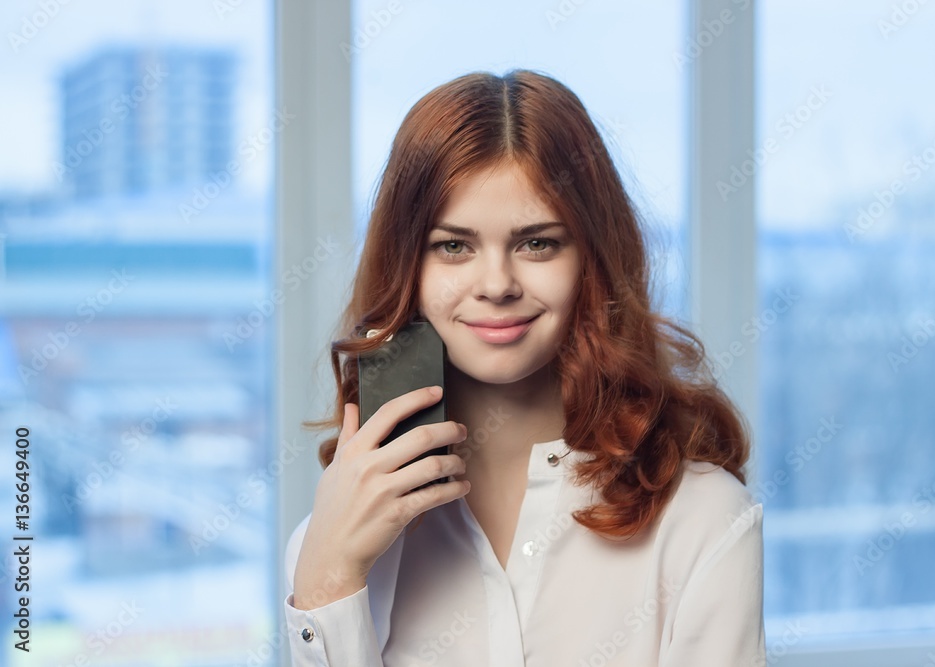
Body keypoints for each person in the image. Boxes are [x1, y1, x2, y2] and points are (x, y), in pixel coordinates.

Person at [283, 68, 765, 666]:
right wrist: (328, 582)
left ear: (592, 260)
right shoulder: (327, 542)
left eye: (537, 243)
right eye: (452, 246)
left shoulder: (703, 521)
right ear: (408, 267)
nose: (496, 285)